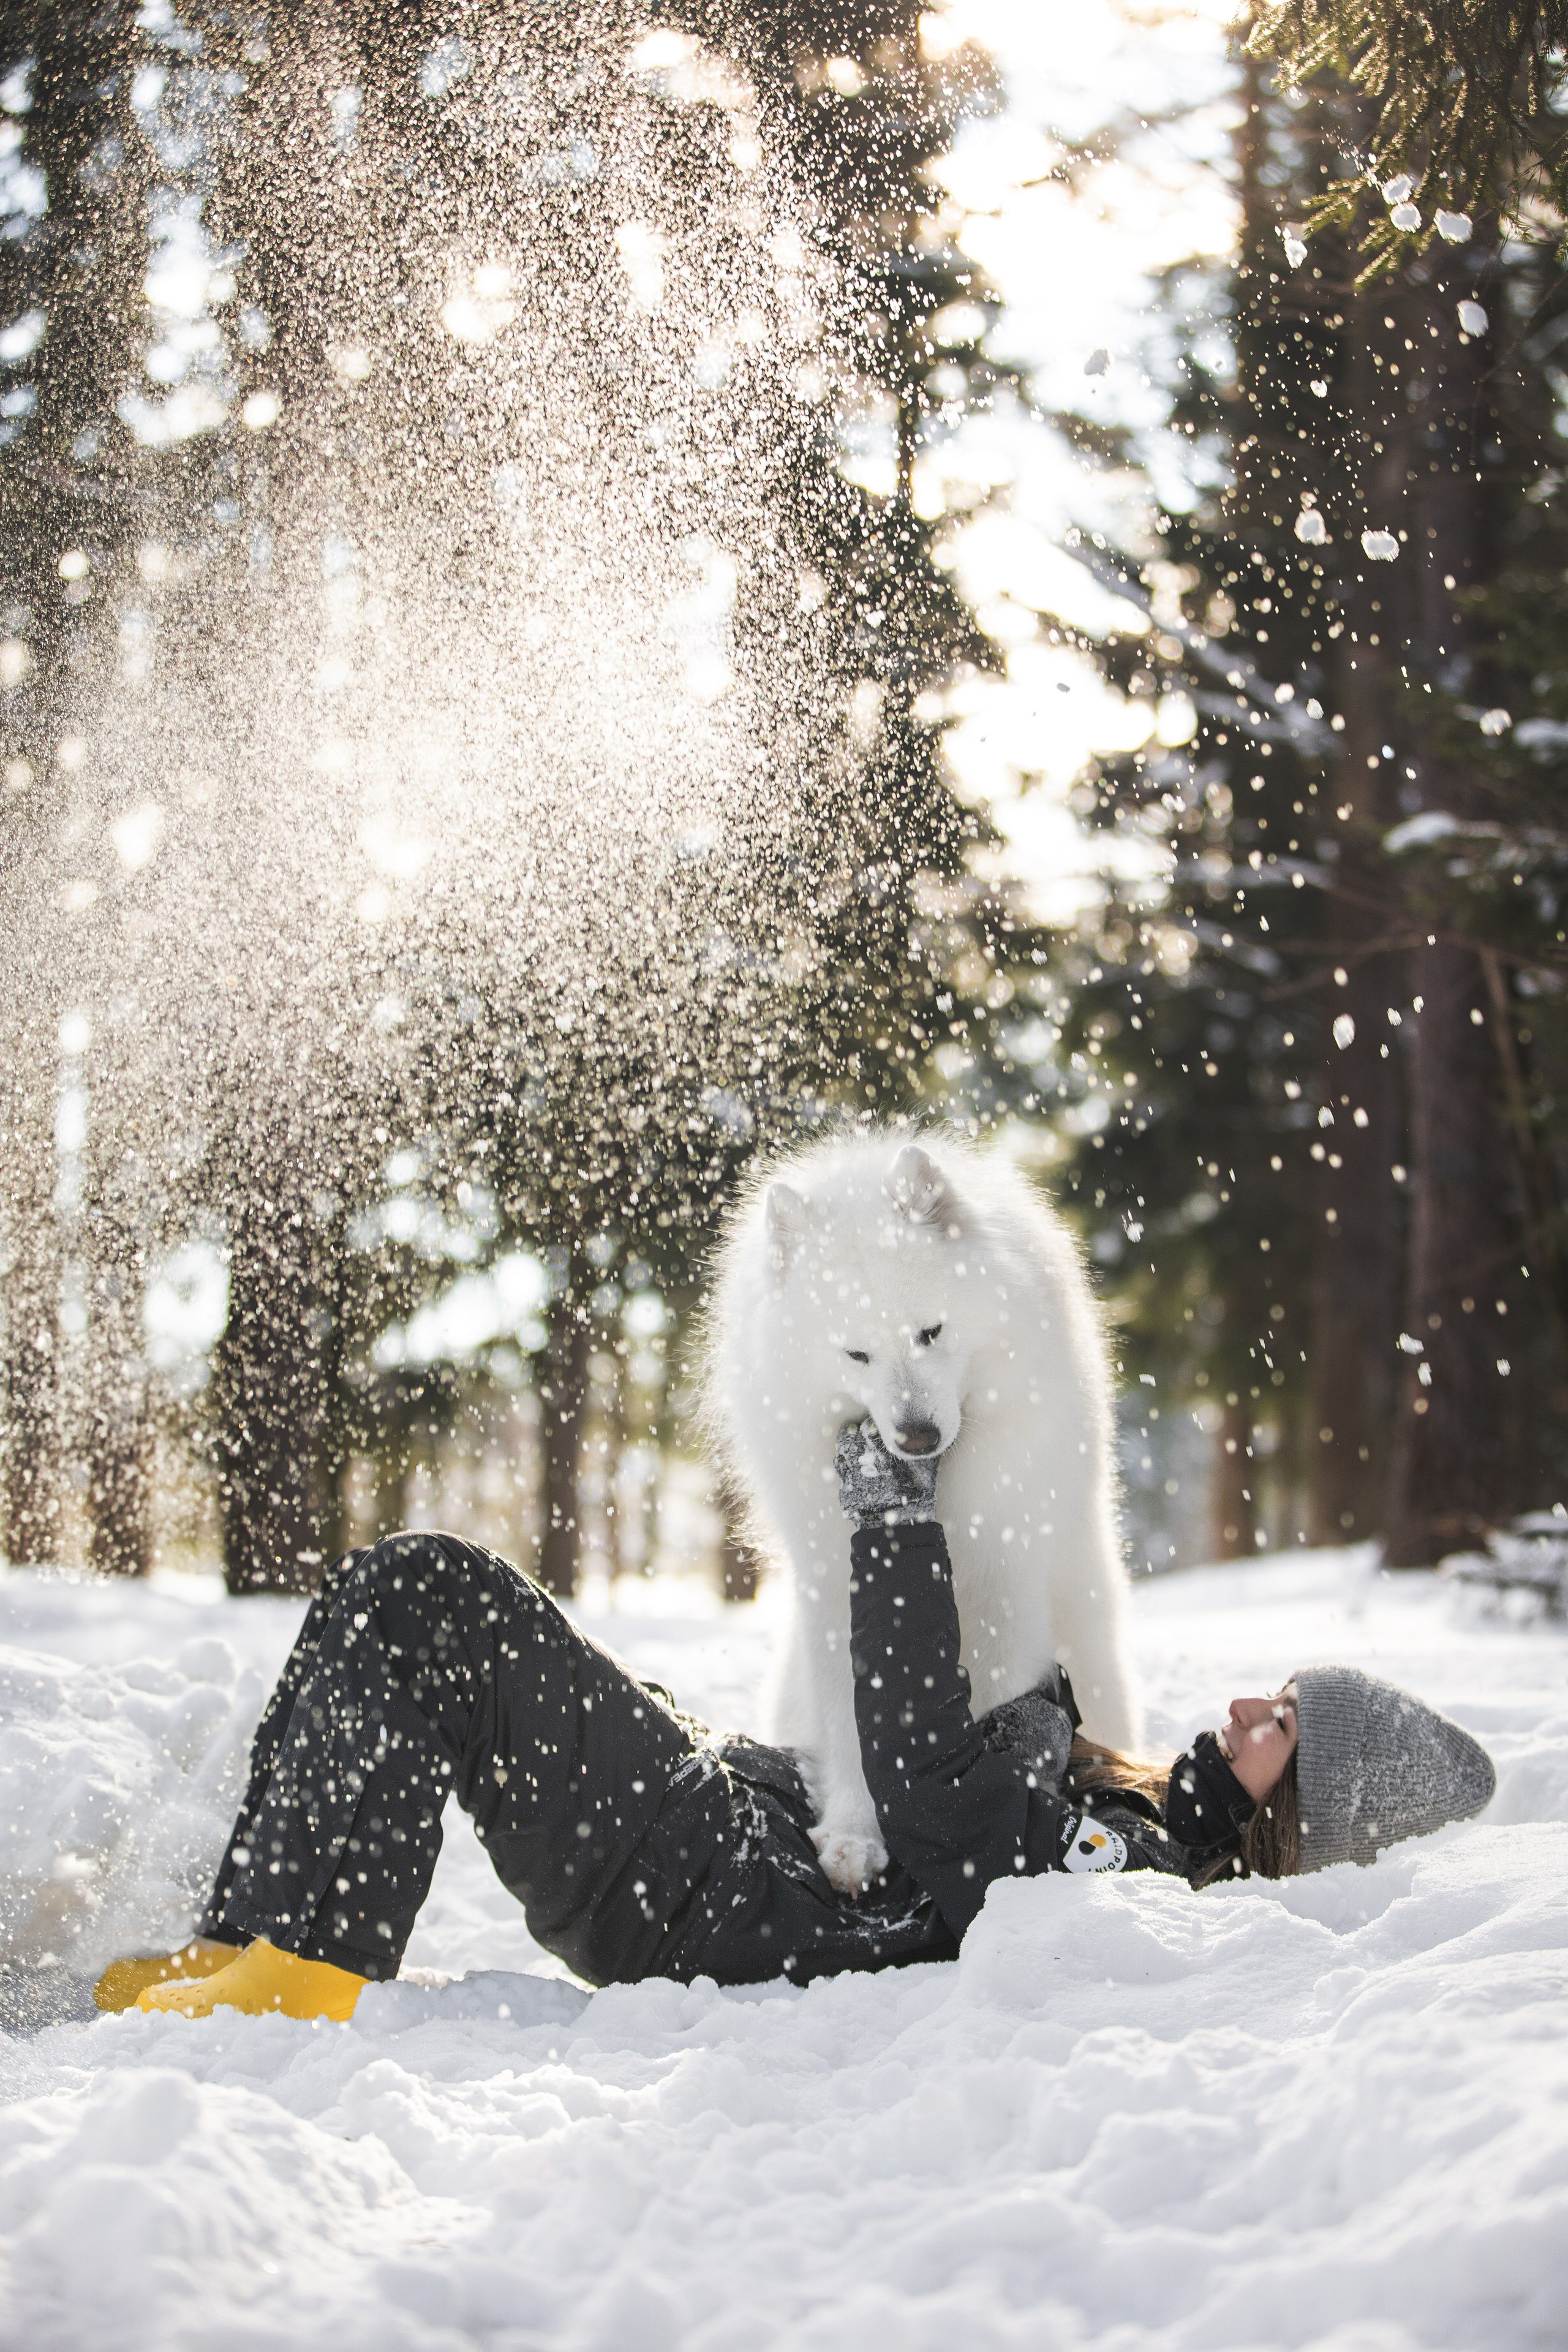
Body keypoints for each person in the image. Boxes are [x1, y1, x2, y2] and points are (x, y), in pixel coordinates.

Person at [95, 1423, 1496, 2022]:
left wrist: (893, 1522)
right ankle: (256, 1950)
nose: (1250, 1708)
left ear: (1295, 1813)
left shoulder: (1134, 1879)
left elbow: (935, 1794)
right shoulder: (1123, 1809)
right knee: (430, 1621)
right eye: (1279, 1695)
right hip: (714, 1823)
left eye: (1284, 1730)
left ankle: (279, 1978)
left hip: (704, 1888)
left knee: (426, 1600)